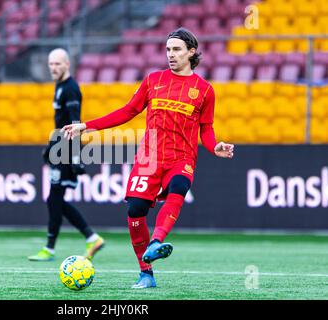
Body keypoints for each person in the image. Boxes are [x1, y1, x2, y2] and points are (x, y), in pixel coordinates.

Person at [62, 28, 234, 288]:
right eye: (167, 49)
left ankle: (157, 241)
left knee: (178, 188)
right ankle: (146, 273)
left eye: (176, 49)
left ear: (191, 52)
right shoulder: (154, 80)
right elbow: (127, 111)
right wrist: (86, 126)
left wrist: (214, 146)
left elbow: (206, 129)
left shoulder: (204, 90)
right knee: (135, 211)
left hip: (182, 157)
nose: (171, 54)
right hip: (150, 157)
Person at [28, 48, 105, 262]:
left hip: (66, 150)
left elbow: (74, 123)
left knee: (54, 198)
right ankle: (90, 238)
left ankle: (56, 246)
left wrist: (75, 157)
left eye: (57, 64)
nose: (53, 68)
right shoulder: (60, 86)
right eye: (51, 64)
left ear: (67, 65)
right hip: (59, 147)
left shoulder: (70, 88)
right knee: (55, 199)